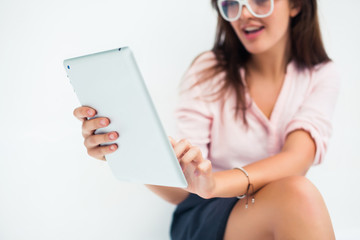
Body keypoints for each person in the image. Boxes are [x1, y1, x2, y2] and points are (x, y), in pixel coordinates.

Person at [73, 0, 340, 239]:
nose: (244, 13)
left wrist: (215, 184)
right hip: (205, 214)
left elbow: (298, 158)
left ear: (297, 5)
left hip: (265, 207)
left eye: (260, 0)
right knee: (298, 196)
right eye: (232, 3)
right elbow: (184, 188)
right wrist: (124, 150)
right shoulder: (208, 72)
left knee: (297, 194)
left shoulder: (320, 75)